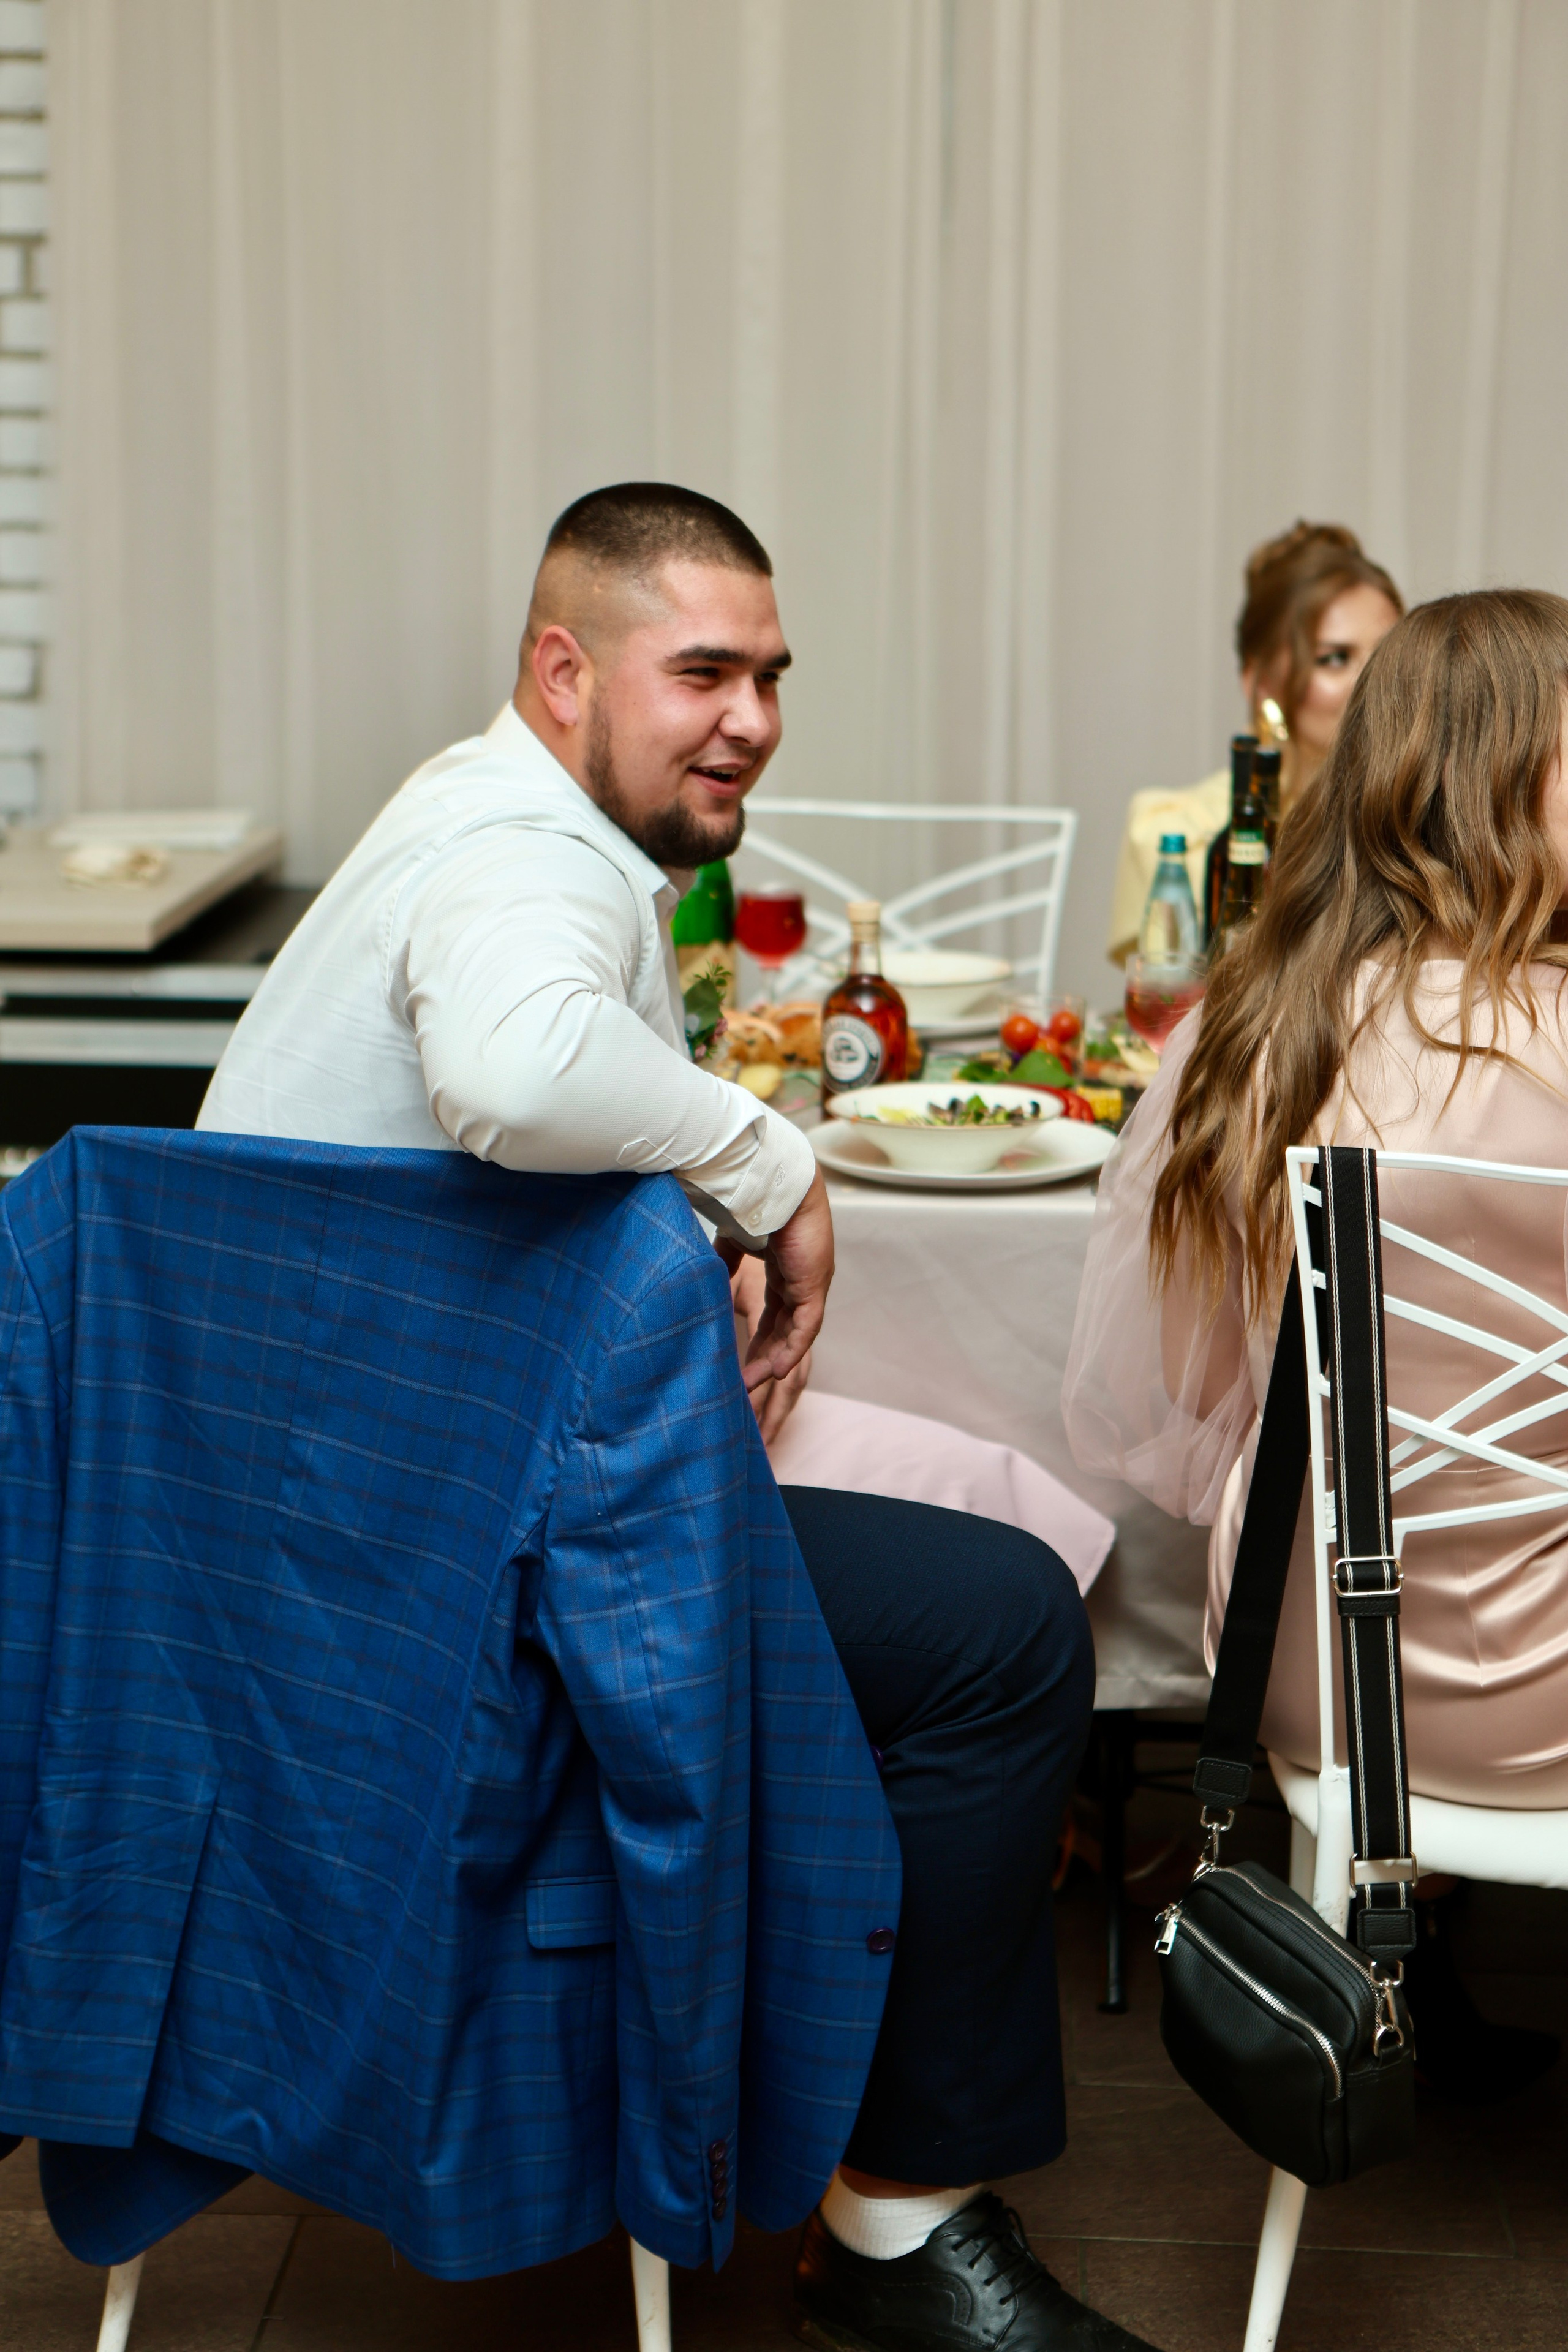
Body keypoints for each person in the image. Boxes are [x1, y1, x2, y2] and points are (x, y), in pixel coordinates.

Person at [201, 483, 1155, 2352]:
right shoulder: (523, 856)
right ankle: (887, 2221)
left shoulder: (470, 812)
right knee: (1002, 1628)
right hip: (418, 1589)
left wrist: (659, 1226)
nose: (752, 717)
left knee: (955, 1529)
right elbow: (509, 1063)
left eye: (771, 675)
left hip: (335, 1532)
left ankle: (740, 2029)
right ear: (563, 671)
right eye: (701, 669)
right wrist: (766, 1164)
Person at [1066, 587, 1568, 2103]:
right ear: (1505, 786)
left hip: (1306, 1675)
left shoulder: (1255, 1022)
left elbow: (1188, 1403)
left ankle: (1397, 1941)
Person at [1106, 521, 1403, 963]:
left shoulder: (1422, 824)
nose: (1372, 683)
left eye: (1389, 656)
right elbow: (1170, 1004)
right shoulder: (1184, 834)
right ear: (1262, 683)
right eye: (1335, 659)